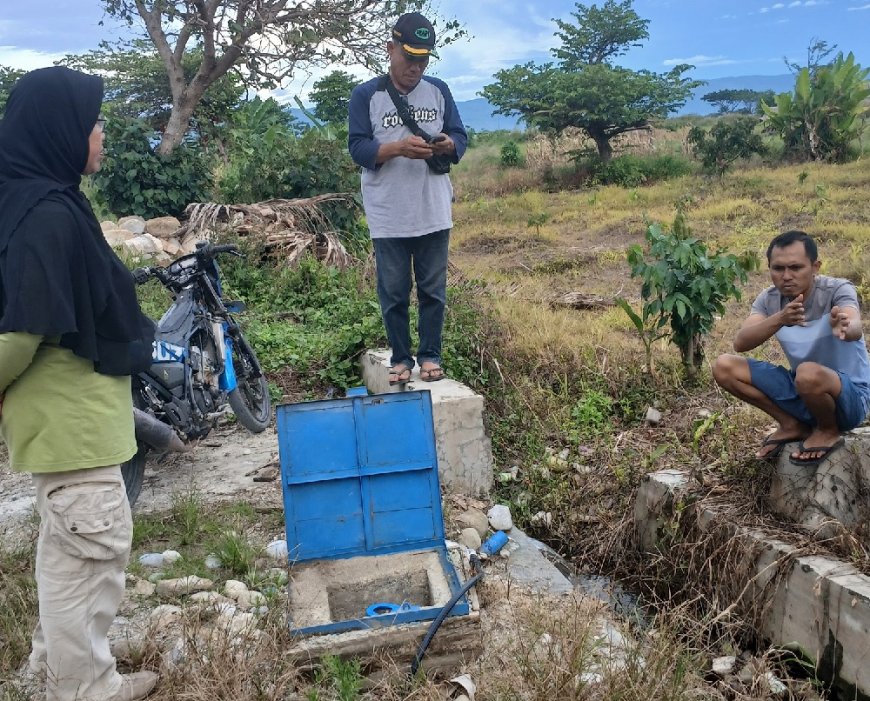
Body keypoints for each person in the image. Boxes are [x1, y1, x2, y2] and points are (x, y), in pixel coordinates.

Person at [0, 67, 158, 701]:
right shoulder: (47, 217)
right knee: (89, 556)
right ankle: (85, 690)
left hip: (71, 422)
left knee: (69, 551)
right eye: (92, 123)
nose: (99, 135)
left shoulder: (42, 199)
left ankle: (50, 673)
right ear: (60, 131)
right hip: (73, 426)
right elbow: (19, 334)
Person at [348, 11, 467, 385]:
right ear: (390, 48)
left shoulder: (439, 90)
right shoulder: (367, 95)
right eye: (408, 57)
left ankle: (430, 355)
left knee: (433, 290)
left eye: (423, 60)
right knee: (395, 292)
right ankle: (401, 358)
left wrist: (448, 144)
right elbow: (358, 148)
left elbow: (460, 137)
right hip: (389, 214)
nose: (415, 68)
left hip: (432, 210)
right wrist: (397, 148)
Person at [713, 230, 870, 465]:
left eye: (796, 268)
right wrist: (779, 319)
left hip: (850, 399)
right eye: (778, 268)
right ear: (769, 268)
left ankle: (828, 429)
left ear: (815, 266)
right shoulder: (769, 300)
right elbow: (741, 342)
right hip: (804, 391)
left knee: (807, 372)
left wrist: (846, 327)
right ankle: (791, 424)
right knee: (724, 366)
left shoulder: (836, 290)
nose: (786, 276)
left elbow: (854, 322)